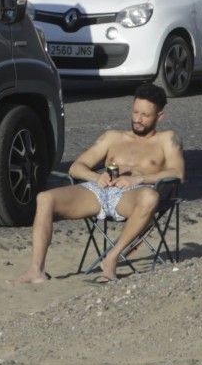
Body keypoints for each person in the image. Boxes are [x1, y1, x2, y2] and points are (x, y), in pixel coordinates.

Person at [16, 85, 185, 284]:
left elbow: (177, 173)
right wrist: (96, 178)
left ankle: (111, 259)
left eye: (145, 115)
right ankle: (37, 270)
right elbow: (77, 167)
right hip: (99, 191)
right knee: (45, 198)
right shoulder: (113, 137)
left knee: (150, 197)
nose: (138, 119)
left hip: (133, 195)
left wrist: (139, 179)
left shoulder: (167, 139)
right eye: (135, 112)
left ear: (160, 116)